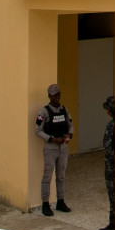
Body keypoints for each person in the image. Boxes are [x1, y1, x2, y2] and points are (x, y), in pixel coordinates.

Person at [34, 83, 72, 216]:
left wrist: (69, 136)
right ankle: (45, 203)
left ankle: (60, 201)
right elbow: (38, 131)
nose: (56, 97)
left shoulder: (64, 110)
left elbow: (70, 125)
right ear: (49, 96)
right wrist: (51, 139)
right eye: (53, 95)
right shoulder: (43, 112)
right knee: (47, 176)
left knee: (61, 175)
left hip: (63, 148)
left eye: (58, 94)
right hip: (50, 148)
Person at [98, 96, 115, 230]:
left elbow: (108, 146)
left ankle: (114, 224)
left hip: (112, 167)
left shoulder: (112, 125)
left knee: (113, 196)